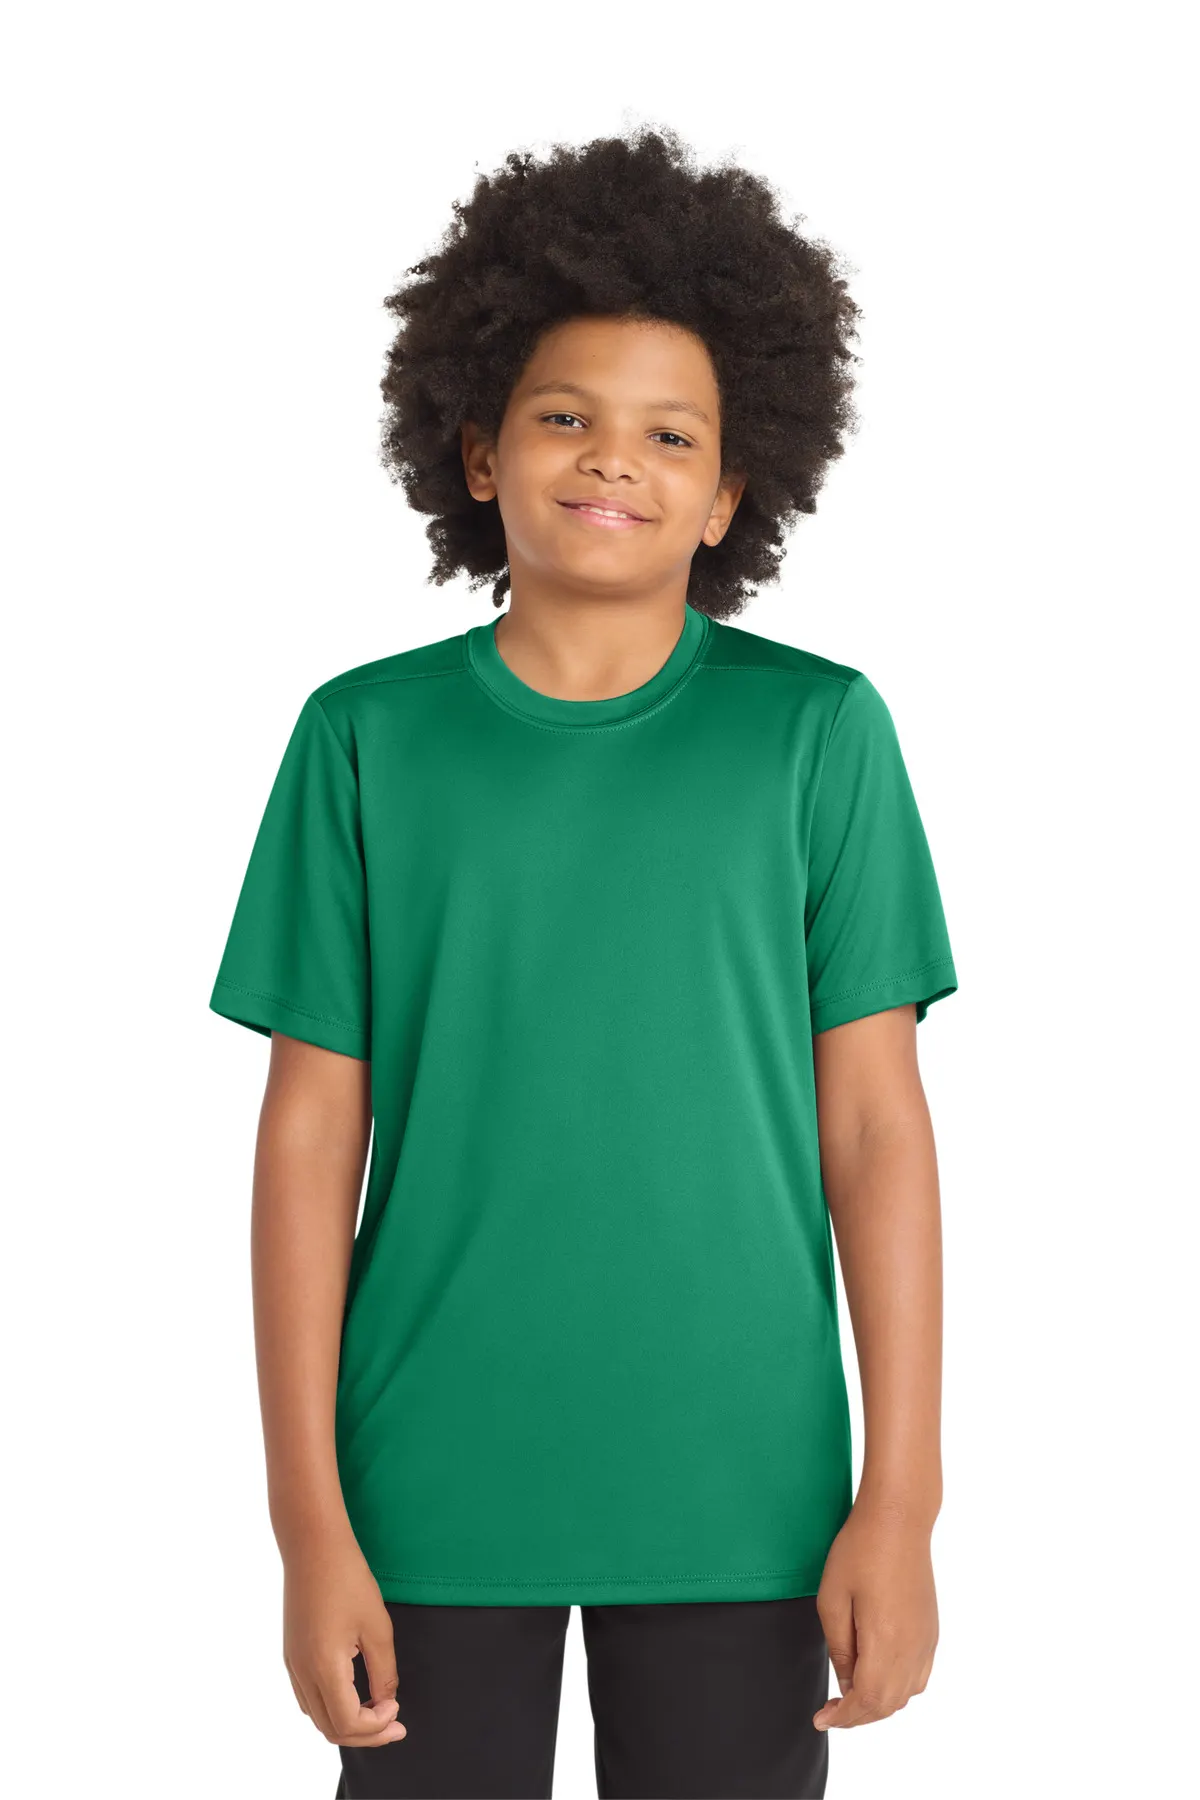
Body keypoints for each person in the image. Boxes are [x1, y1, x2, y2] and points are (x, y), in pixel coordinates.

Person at [209, 124, 958, 1800]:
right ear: (477, 450)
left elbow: (875, 1131)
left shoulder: (818, 736)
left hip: (744, 1491)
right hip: (423, 1489)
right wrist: (307, 1523)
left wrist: (901, 1500)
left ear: (733, 489)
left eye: (670, 433)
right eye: (564, 416)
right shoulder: (363, 740)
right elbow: (308, 1140)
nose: (612, 458)